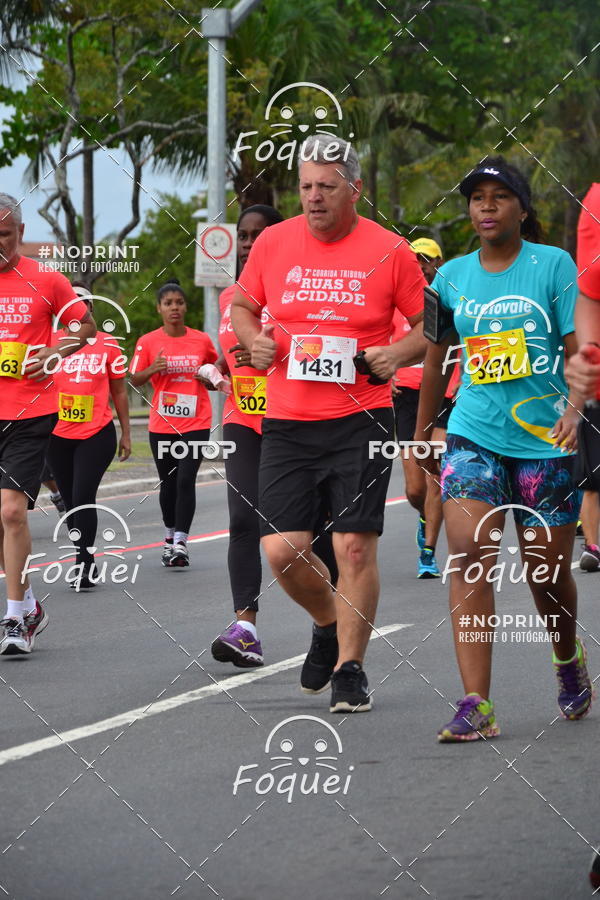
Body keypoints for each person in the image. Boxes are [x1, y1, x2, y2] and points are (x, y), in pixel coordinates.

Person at [231, 134, 427, 712]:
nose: (314, 198)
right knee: (283, 551)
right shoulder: (272, 241)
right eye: (306, 186)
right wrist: (253, 340)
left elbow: (430, 325)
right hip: (289, 420)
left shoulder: (391, 251)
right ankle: (326, 621)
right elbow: (242, 306)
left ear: (355, 190)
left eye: (327, 187)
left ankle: (350, 667)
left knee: (354, 549)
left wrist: (399, 354)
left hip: (360, 419)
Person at [415, 156, 591, 741]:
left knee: (545, 574)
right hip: (474, 433)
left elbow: (579, 347)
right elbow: (437, 360)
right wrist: (421, 436)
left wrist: (574, 407)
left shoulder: (554, 266)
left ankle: (566, 656)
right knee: (467, 550)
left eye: (499, 196)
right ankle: (476, 703)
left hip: (546, 440)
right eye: (476, 198)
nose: (485, 206)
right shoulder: (450, 278)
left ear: (522, 207)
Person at [210, 205, 339, 668]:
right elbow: (232, 354)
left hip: (301, 424)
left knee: (315, 535)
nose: (248, 243)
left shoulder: (302, 293)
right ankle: (245, 627)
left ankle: (329, 623)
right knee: (243, 519)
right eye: (243, 235)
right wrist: (216, 371)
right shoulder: (231, 298)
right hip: (245, 420)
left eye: (258, 234)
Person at [0, 194, 95, 655]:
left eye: (4, 234)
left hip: (31, 410)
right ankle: (31, 605)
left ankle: (14, 617)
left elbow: (86, 326)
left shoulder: (46, 279)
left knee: (12, 511)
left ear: (19, 232)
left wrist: (56, 353)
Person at [130, 279, 218, 568]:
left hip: (196, 421)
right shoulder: (148, 341)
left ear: (185, 306)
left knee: (185, 480)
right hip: (163, 424)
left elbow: (215, 372)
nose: (174, 307)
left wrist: (209, 377)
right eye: (168, 303)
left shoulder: (201, 340)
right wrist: (152, 368)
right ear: (159, 309)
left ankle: (180, 541)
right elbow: (134, 378)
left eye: (179, 302)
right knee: (168, 484)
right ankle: (169, 537)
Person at [46, 291, 131, 590]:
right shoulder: (51, 342)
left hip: (97, 433)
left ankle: (83, 562)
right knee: (70, 503)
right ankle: (86, 560)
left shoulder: (108, 345)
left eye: (82, 302)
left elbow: (119, 391)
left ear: (90, 309)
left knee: (83, 497)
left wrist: (127, 432)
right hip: (57, 435)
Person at [392, 237, 457, 578]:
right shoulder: (397, 303)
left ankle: (428, 552)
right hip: (407, 397)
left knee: (435, 476)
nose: (420, 266)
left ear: (437, 264)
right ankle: (423, 515)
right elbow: (380, 342)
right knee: (415, 487)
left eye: (426, 260)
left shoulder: (448, 298)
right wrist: (385, 370)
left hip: (445, 394)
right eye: (414, 260)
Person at [564, 184, 600, 574]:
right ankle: (594, 544)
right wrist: (587, 356)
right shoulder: (596, 203)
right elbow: (590, 295)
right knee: (593, 477)